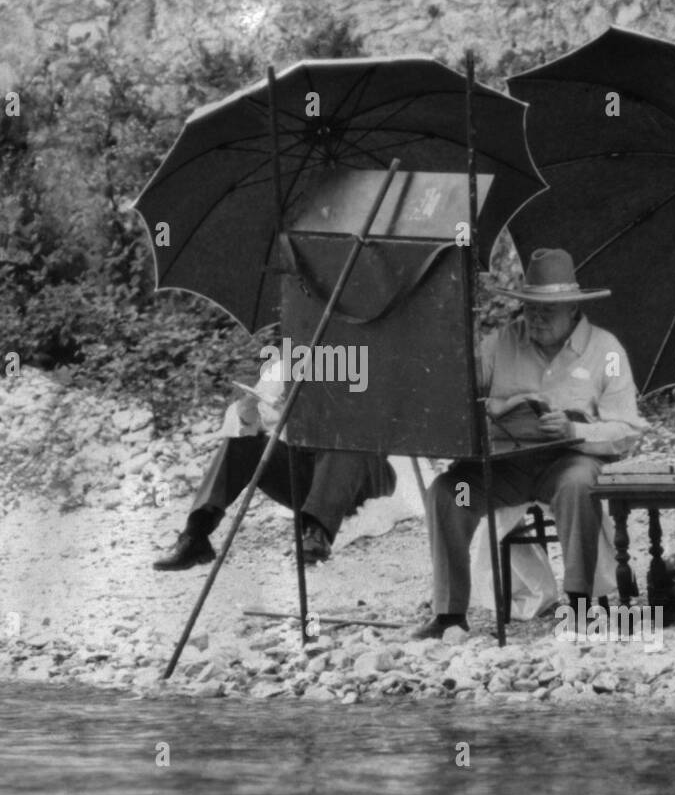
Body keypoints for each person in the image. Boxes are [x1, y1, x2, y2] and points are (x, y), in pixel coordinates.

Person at [413, 248, 648, 639]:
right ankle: (450, 614)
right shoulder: (502, 342)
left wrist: (575, 432)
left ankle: (580, 602)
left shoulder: (605, 351)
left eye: (547, 310)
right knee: (450, 493)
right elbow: (459, 393)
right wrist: (489, 405)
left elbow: (627, 428)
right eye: (530, 308)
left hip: (568, 462)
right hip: (504, 470)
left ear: (573, 309)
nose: (535, 318)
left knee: (578, 487)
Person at [154, 355, 396, 570]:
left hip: (362, 480)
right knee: (244, 444)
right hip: (307, 479)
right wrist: (247, 414)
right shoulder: (287, 366)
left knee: (347, 442)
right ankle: (196, 533)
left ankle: (317, 533)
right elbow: (234, 427)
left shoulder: (370, 362)